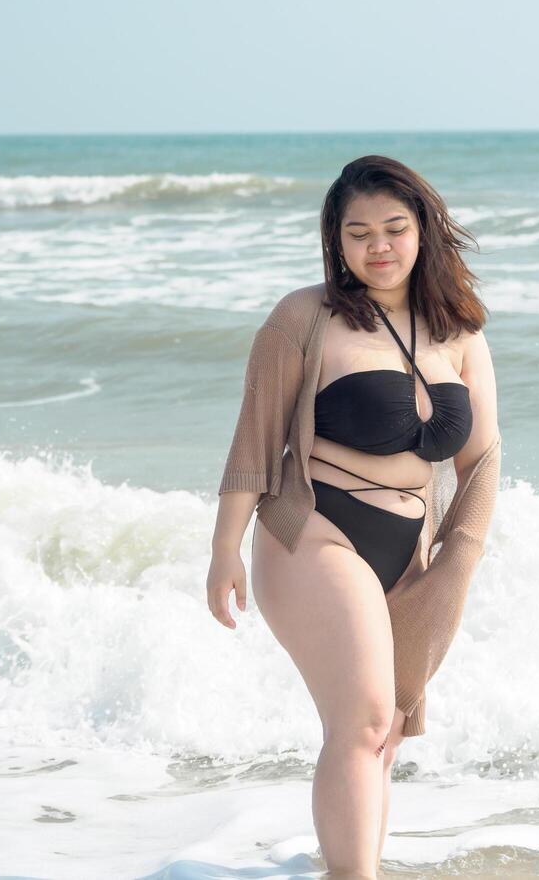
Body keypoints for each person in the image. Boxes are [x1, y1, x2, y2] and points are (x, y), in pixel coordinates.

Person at [207, 155, 500, 879]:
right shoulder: (305, 318)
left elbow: (482, 462)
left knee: (382, 733)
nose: (379, 246)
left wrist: (458, 562)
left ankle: (352, 864)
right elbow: (255, 437)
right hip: (315, 529)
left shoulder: (460, 332)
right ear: (335, 241)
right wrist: (224, 551)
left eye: (395, 229)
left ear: (423, 232)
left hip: (411, 552)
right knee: (366, 717)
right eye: (359, 232)